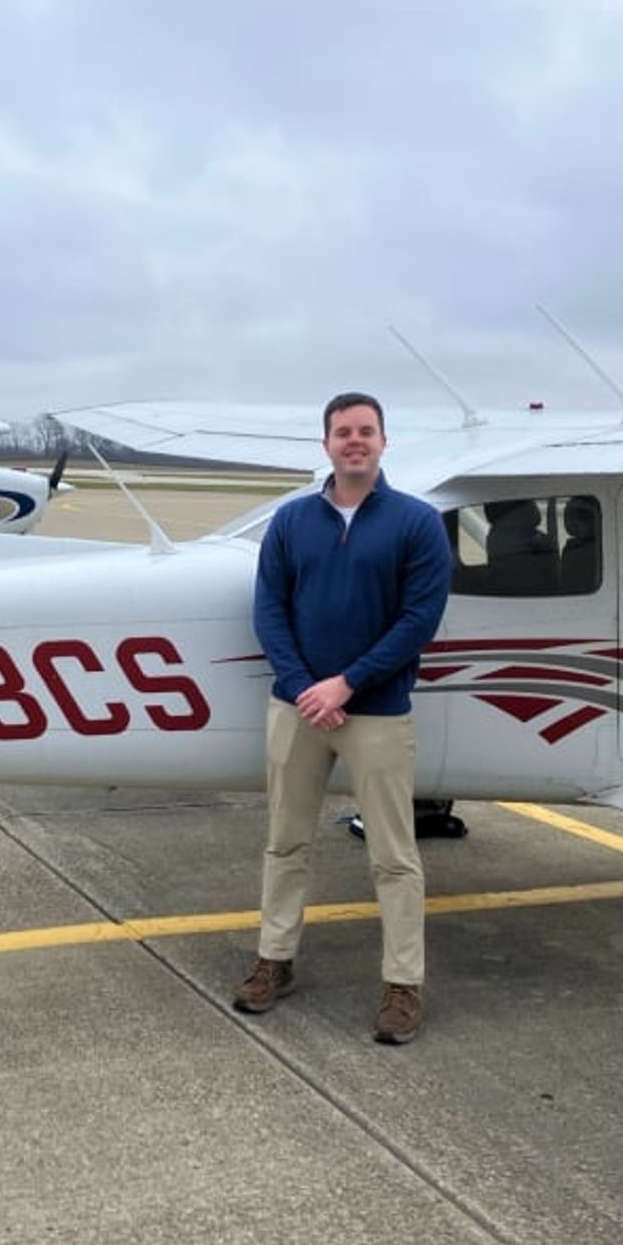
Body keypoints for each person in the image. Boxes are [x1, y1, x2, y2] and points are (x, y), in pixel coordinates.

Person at [234, 392, 452, 1044]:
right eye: (342, 432)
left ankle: (403, 984)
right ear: (325, 444)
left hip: (378, 711)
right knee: (285, 840)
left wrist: (347, 684)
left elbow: (419, 621)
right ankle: (274, 960)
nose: (354, 441)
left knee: (395, 855)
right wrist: (307, 687)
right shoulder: (292, 520)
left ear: (384, 441)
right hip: (297, 707)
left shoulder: (417, 523)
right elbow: (269, 608)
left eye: (366, 431)